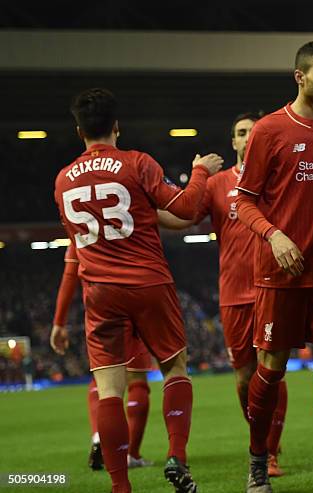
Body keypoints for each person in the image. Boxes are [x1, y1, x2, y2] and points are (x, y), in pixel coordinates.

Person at [52, 87, 222, 493]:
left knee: (109, 390)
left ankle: (120, 487)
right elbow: (183, 207)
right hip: (148, 283)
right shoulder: (137, 163)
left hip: (100, 292)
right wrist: (201, 172)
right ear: (116, 126)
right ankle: (176, 457)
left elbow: (76, 248)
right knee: (174, 370)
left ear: (79, 131)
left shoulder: (61, 181)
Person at [235, 41, 313, 493]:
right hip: (281, 273)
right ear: (299, 77)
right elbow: (244, 202)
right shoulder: (269, 130)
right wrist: (275, 235)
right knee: (271, 369)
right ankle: (259, 460)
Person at [158, 112, 288, 478]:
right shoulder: (216, 184)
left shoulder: (276, 178)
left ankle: (270, 452)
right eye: (242, 133)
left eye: (254, 132)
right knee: (245, 378)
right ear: (233, 142)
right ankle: (258, 441)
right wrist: (144, 210)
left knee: (271, 372)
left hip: (273, 288)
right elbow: (183, 217)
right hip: (233, 294)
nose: (248, 138)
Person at [51, 242, 154, 471]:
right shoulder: (131, 216)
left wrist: (59, 322)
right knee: (137, 381)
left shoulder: (80, 223)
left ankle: (99, 436)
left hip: (100, 304)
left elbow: (70, 275)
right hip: (136, 297)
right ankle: (131, 454)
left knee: (102, 380)